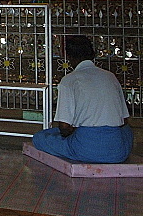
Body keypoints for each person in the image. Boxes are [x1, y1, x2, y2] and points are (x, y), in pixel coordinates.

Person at [32, 35, 133, 164]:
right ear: (93, 54)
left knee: (40, 138)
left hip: (85, 148)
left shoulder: (69, 81)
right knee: (126, 131)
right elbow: (124, 120)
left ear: (68, 57)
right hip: (117, 152)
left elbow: (64, 128)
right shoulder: (110, 77)